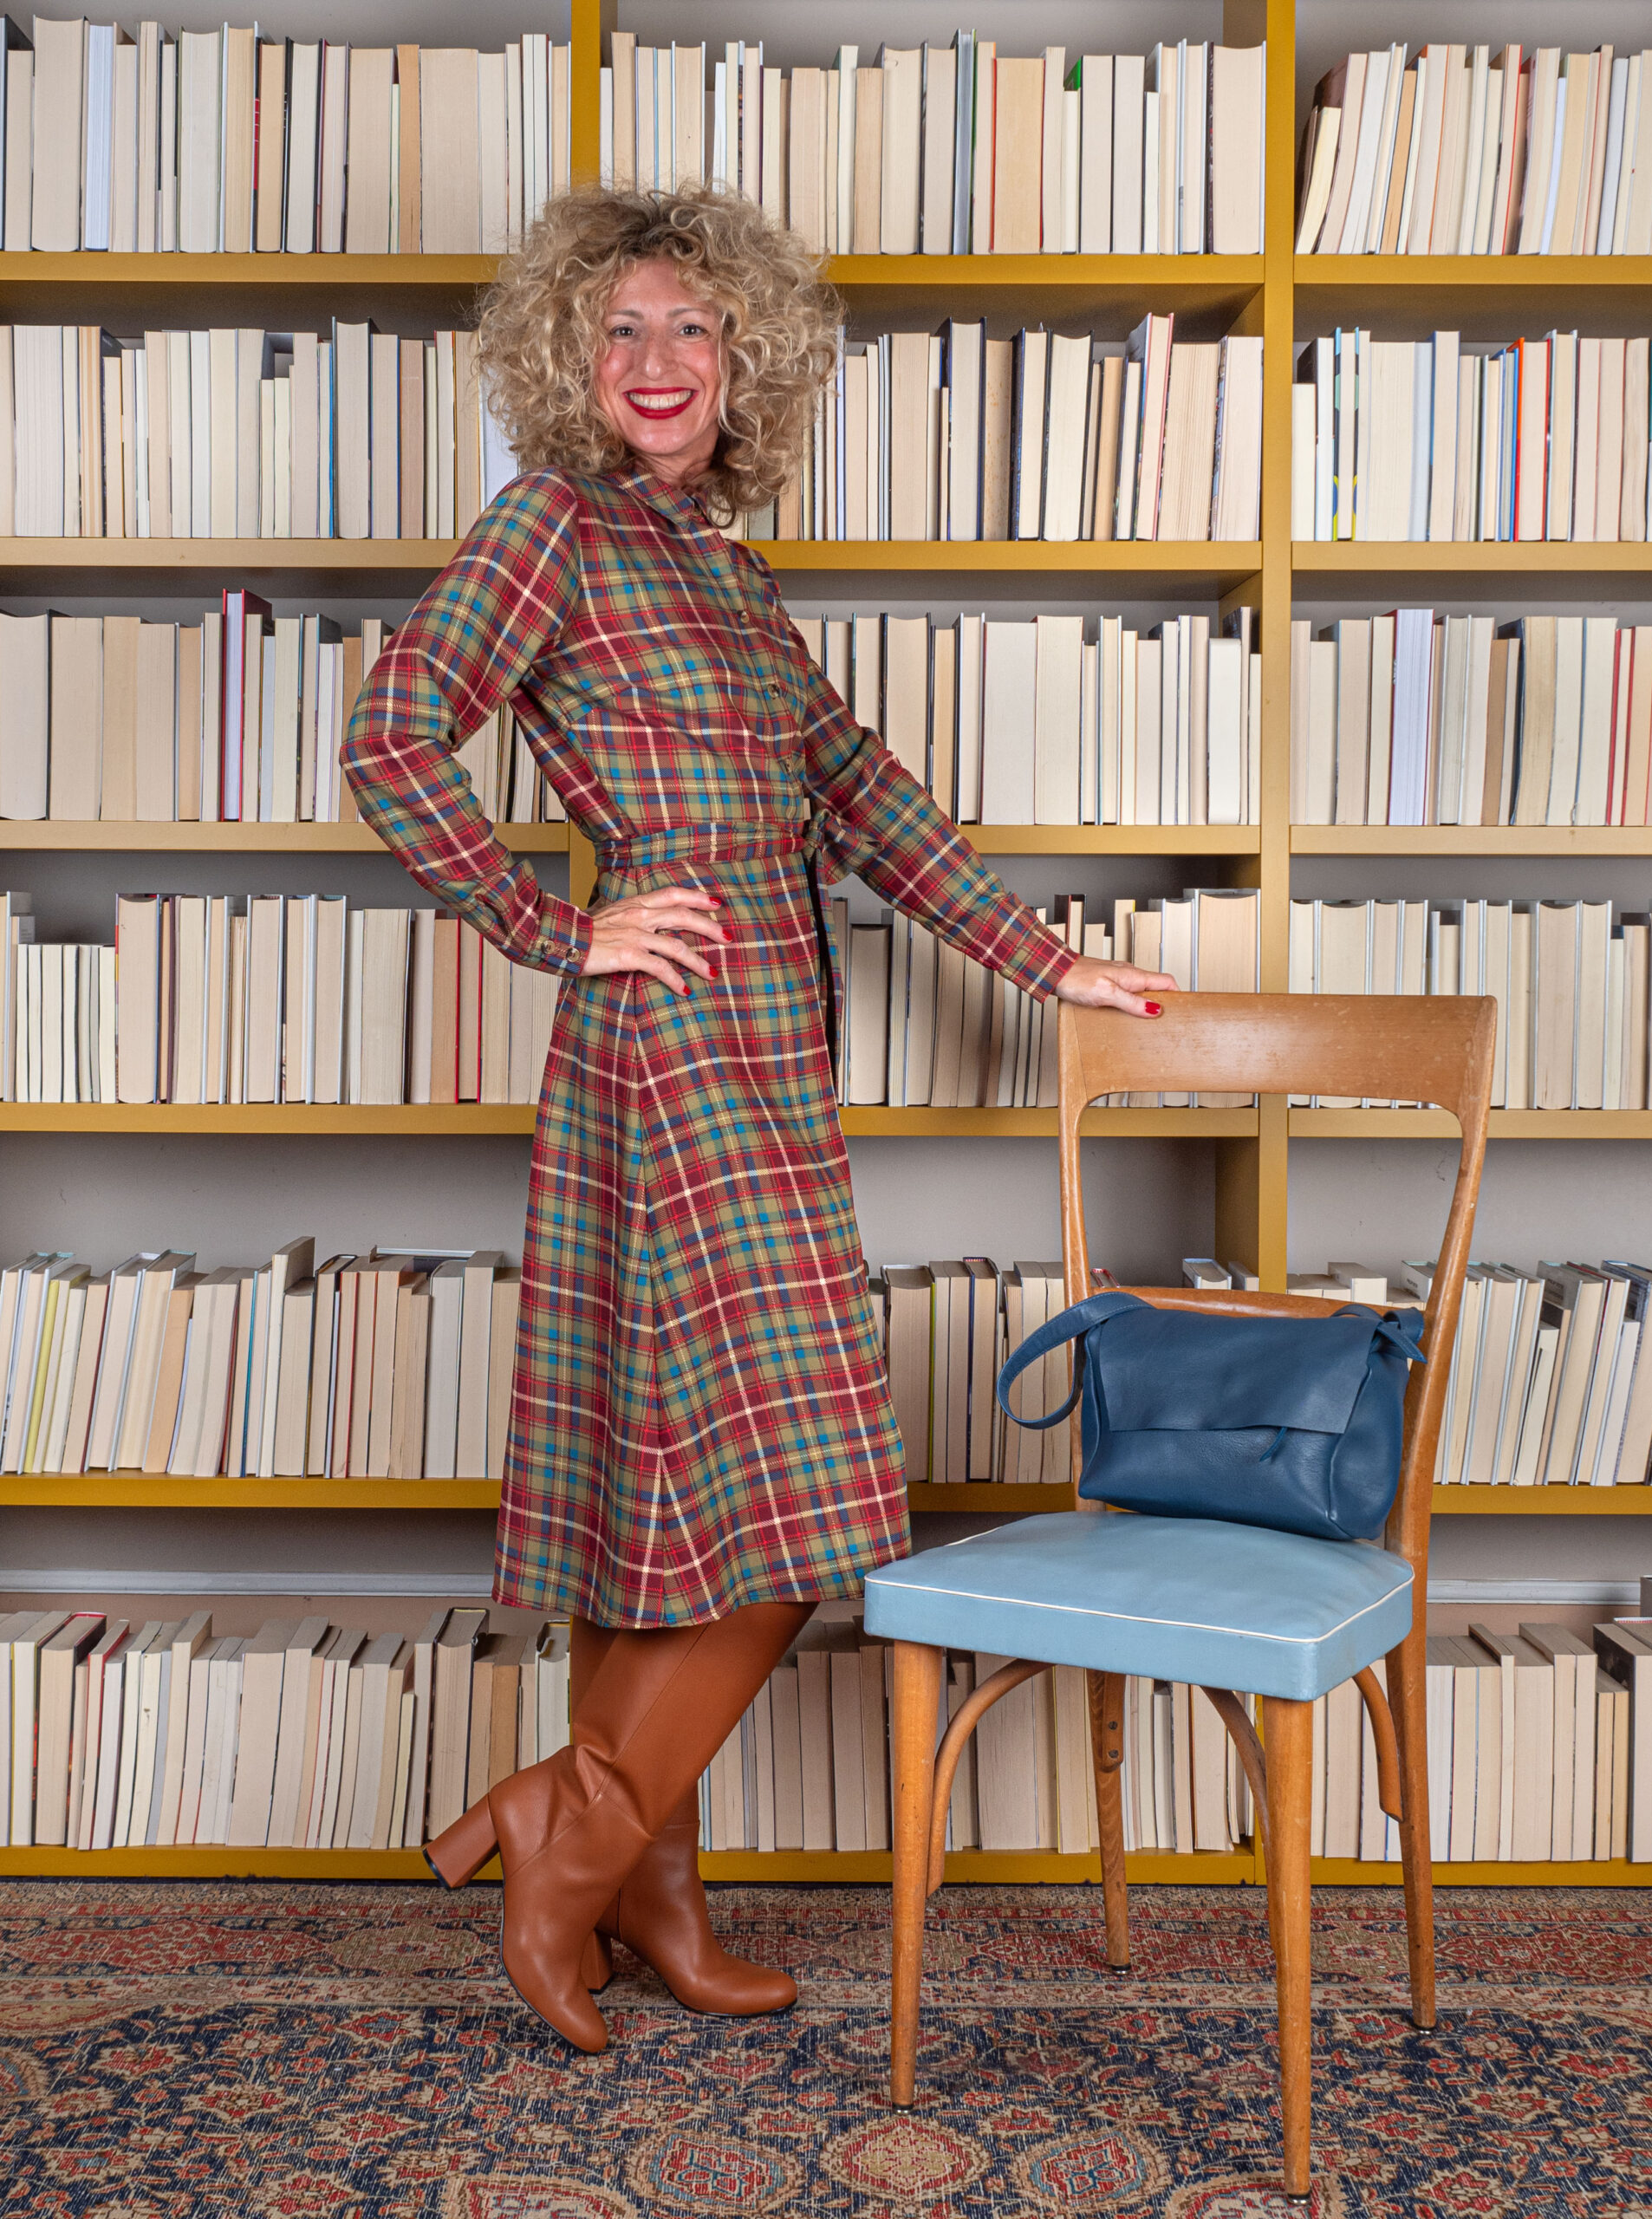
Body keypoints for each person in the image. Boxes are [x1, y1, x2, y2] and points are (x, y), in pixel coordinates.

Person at [341, 185, 1174, 2054]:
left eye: (693, 329)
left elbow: (858, 789)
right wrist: (556, 924)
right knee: (797, 1501)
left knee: (674, 1498)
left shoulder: (723, 570)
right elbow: (393, 734)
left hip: (768, 1061)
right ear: (569, 358)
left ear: (745, 363)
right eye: (620, 329)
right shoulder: (549, 527)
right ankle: (568, 1833)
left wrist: (1048, 961)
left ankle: (647, 1891)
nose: (657, 361)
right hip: (665, 1060)